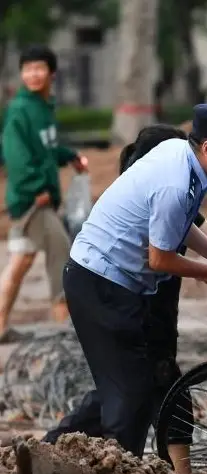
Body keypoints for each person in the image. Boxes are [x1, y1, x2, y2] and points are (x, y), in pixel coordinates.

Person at [44, 124, 207, 474]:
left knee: (125, 388)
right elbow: (160, 261)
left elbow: (188, 225)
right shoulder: (174, 181)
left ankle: (49, 452)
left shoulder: (187, 168)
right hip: (102, 284)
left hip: (117, 285)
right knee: (130, 395)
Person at [0, 44, 89, 342]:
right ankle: (67, 330)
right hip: (33, 199)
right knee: (62, 255)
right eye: (28, 69)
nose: (33, 75)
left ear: (52, 73)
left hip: (39, 197)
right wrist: (37, 188)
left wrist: (69, 156)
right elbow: (16, 156)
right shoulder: (21, 110)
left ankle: (0, 324)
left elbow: (46, 149)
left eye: (39, 69)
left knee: (21, 261)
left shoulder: (43, 107)